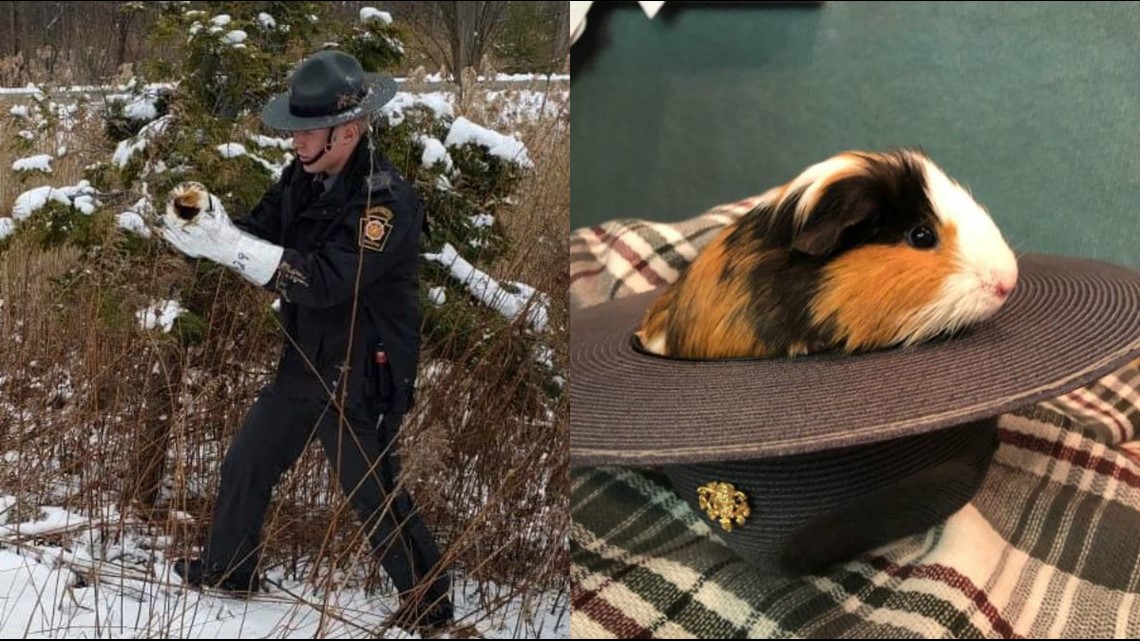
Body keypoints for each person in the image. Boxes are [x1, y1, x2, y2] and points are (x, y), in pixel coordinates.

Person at [158, 50, 454, 635]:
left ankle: (430, 602)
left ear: (347, 130)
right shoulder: (304, 177)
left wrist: (231, 248)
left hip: (360, 373)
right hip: (305, 359)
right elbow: (261, 232)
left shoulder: (386, 203)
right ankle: (230, 570)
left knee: (374, 492)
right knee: (249, 459)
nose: (292, 142)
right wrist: (206, 228)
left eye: (304, 131)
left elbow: (321, 282)